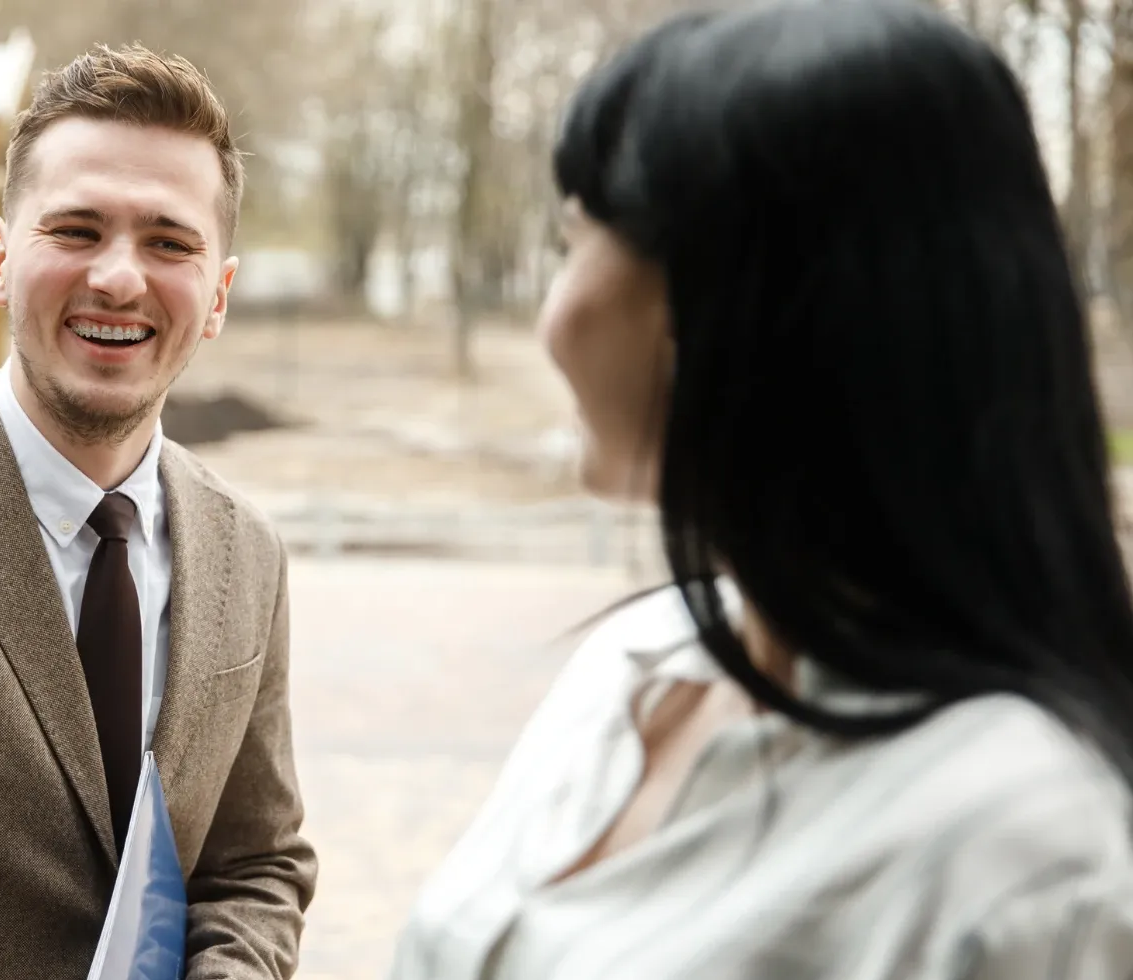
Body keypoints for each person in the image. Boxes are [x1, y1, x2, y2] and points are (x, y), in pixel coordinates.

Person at [386, 1, 1133, 977]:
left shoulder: (1026, 857)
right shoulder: (632, 666)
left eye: (574, 238)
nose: (549, 317)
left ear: (727, 299)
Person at [0, 43, 315, 978]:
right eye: (76, 230)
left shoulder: (249, 553)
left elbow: (255, 864)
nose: (119, 278)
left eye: (169, 242)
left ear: (218, 298)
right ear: (2, 261)